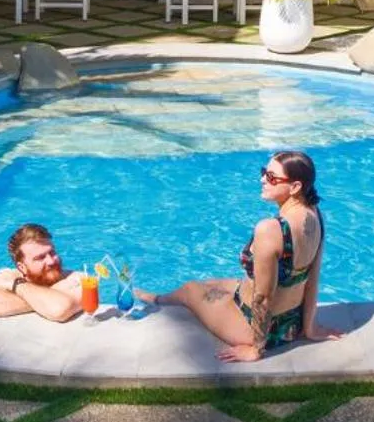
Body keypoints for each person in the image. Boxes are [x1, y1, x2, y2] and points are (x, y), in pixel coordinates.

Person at [139, 150, 340, 362]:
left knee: (190, 289)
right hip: (292, 324)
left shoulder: (271, 230)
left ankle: (156, 299)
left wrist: (256, 348)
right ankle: (162, 297)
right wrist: (309, 328)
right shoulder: (314, 213)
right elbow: (312, 277)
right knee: (214, 283)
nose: (263, 179)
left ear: (295, 187)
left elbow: (263, 298)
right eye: (264, 172)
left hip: (253, 326)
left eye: (271, 177)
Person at [0, 223, 86, 322]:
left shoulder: (79, 278)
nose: (51, 261)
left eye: (52, 253)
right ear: (22, 267)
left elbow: (59, 310)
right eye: (40, 258)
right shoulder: (8, 275)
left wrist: (17, 286)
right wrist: (51, 297)